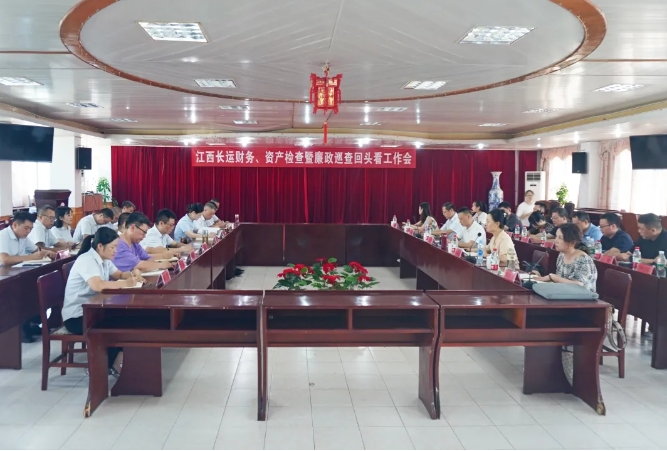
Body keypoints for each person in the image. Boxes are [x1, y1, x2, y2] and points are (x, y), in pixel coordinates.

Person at [62, 227, 140, 377]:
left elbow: (118, 274)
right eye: (113, 247)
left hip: (94, 310)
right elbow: (97, 285)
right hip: (77, 316)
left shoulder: (104, 259)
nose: (115, 251)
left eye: (116, 247)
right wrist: (125, 283)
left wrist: (132, 274)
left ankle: (115, 362)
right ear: (100, 246)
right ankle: (101, 367)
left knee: (125, 320)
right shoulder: (87, 260)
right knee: (114, 326)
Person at [532, 223, 598, 292]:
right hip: (564, 294)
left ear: (572, 242)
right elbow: (560, 282)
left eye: (560, 238)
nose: (555, 241)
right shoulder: (562, 255)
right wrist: (541, 278)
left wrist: (553, 277)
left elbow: (579, 285)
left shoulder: (584, 260)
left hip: (581, 298)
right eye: (556, 236)